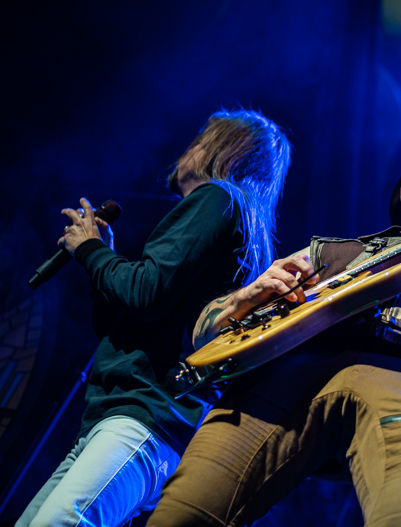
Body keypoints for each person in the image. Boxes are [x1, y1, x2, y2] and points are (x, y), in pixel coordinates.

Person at [148, 134, 401, 526]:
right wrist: (243, 298)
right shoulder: (328, 252)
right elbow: (203, 336)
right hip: (291, 375)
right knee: (180, 516)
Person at [17, 109, 292, 527]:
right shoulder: (242, 225)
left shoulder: (218, 197)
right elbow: (125, 324)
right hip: (128, 418)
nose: (191, 147)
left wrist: (92, 251)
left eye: (204, 138)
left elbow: (145, 294)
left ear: (228, 151)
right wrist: (101, 259)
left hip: (143, 416)